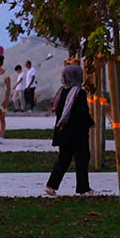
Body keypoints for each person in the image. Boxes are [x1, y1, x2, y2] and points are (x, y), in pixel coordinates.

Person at [44, 63, 94, 195]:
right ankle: (83, 188)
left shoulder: (61, 92)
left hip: (63, 132)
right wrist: (91, 123)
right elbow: (82, 113)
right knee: (82, 159)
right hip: (77, 133)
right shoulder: (79, 93)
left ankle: (51, 185)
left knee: (64, 158)